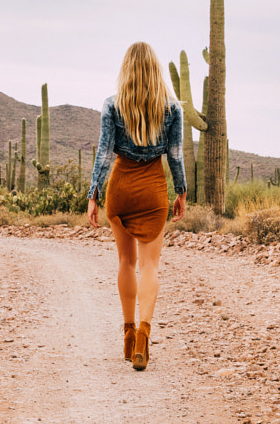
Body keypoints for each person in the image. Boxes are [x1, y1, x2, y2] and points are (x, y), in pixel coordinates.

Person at [87, 41, 187, 371]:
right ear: (156, 70)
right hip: (153, 190)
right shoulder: (173, 109)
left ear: (126, 70)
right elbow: (175, 156)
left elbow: (103, 153)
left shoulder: (112, 105)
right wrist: (181, 191)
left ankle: (128, 336)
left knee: (126, 262)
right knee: (150, 266)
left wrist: (93, 193)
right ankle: (144, 334)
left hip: (121, 187)